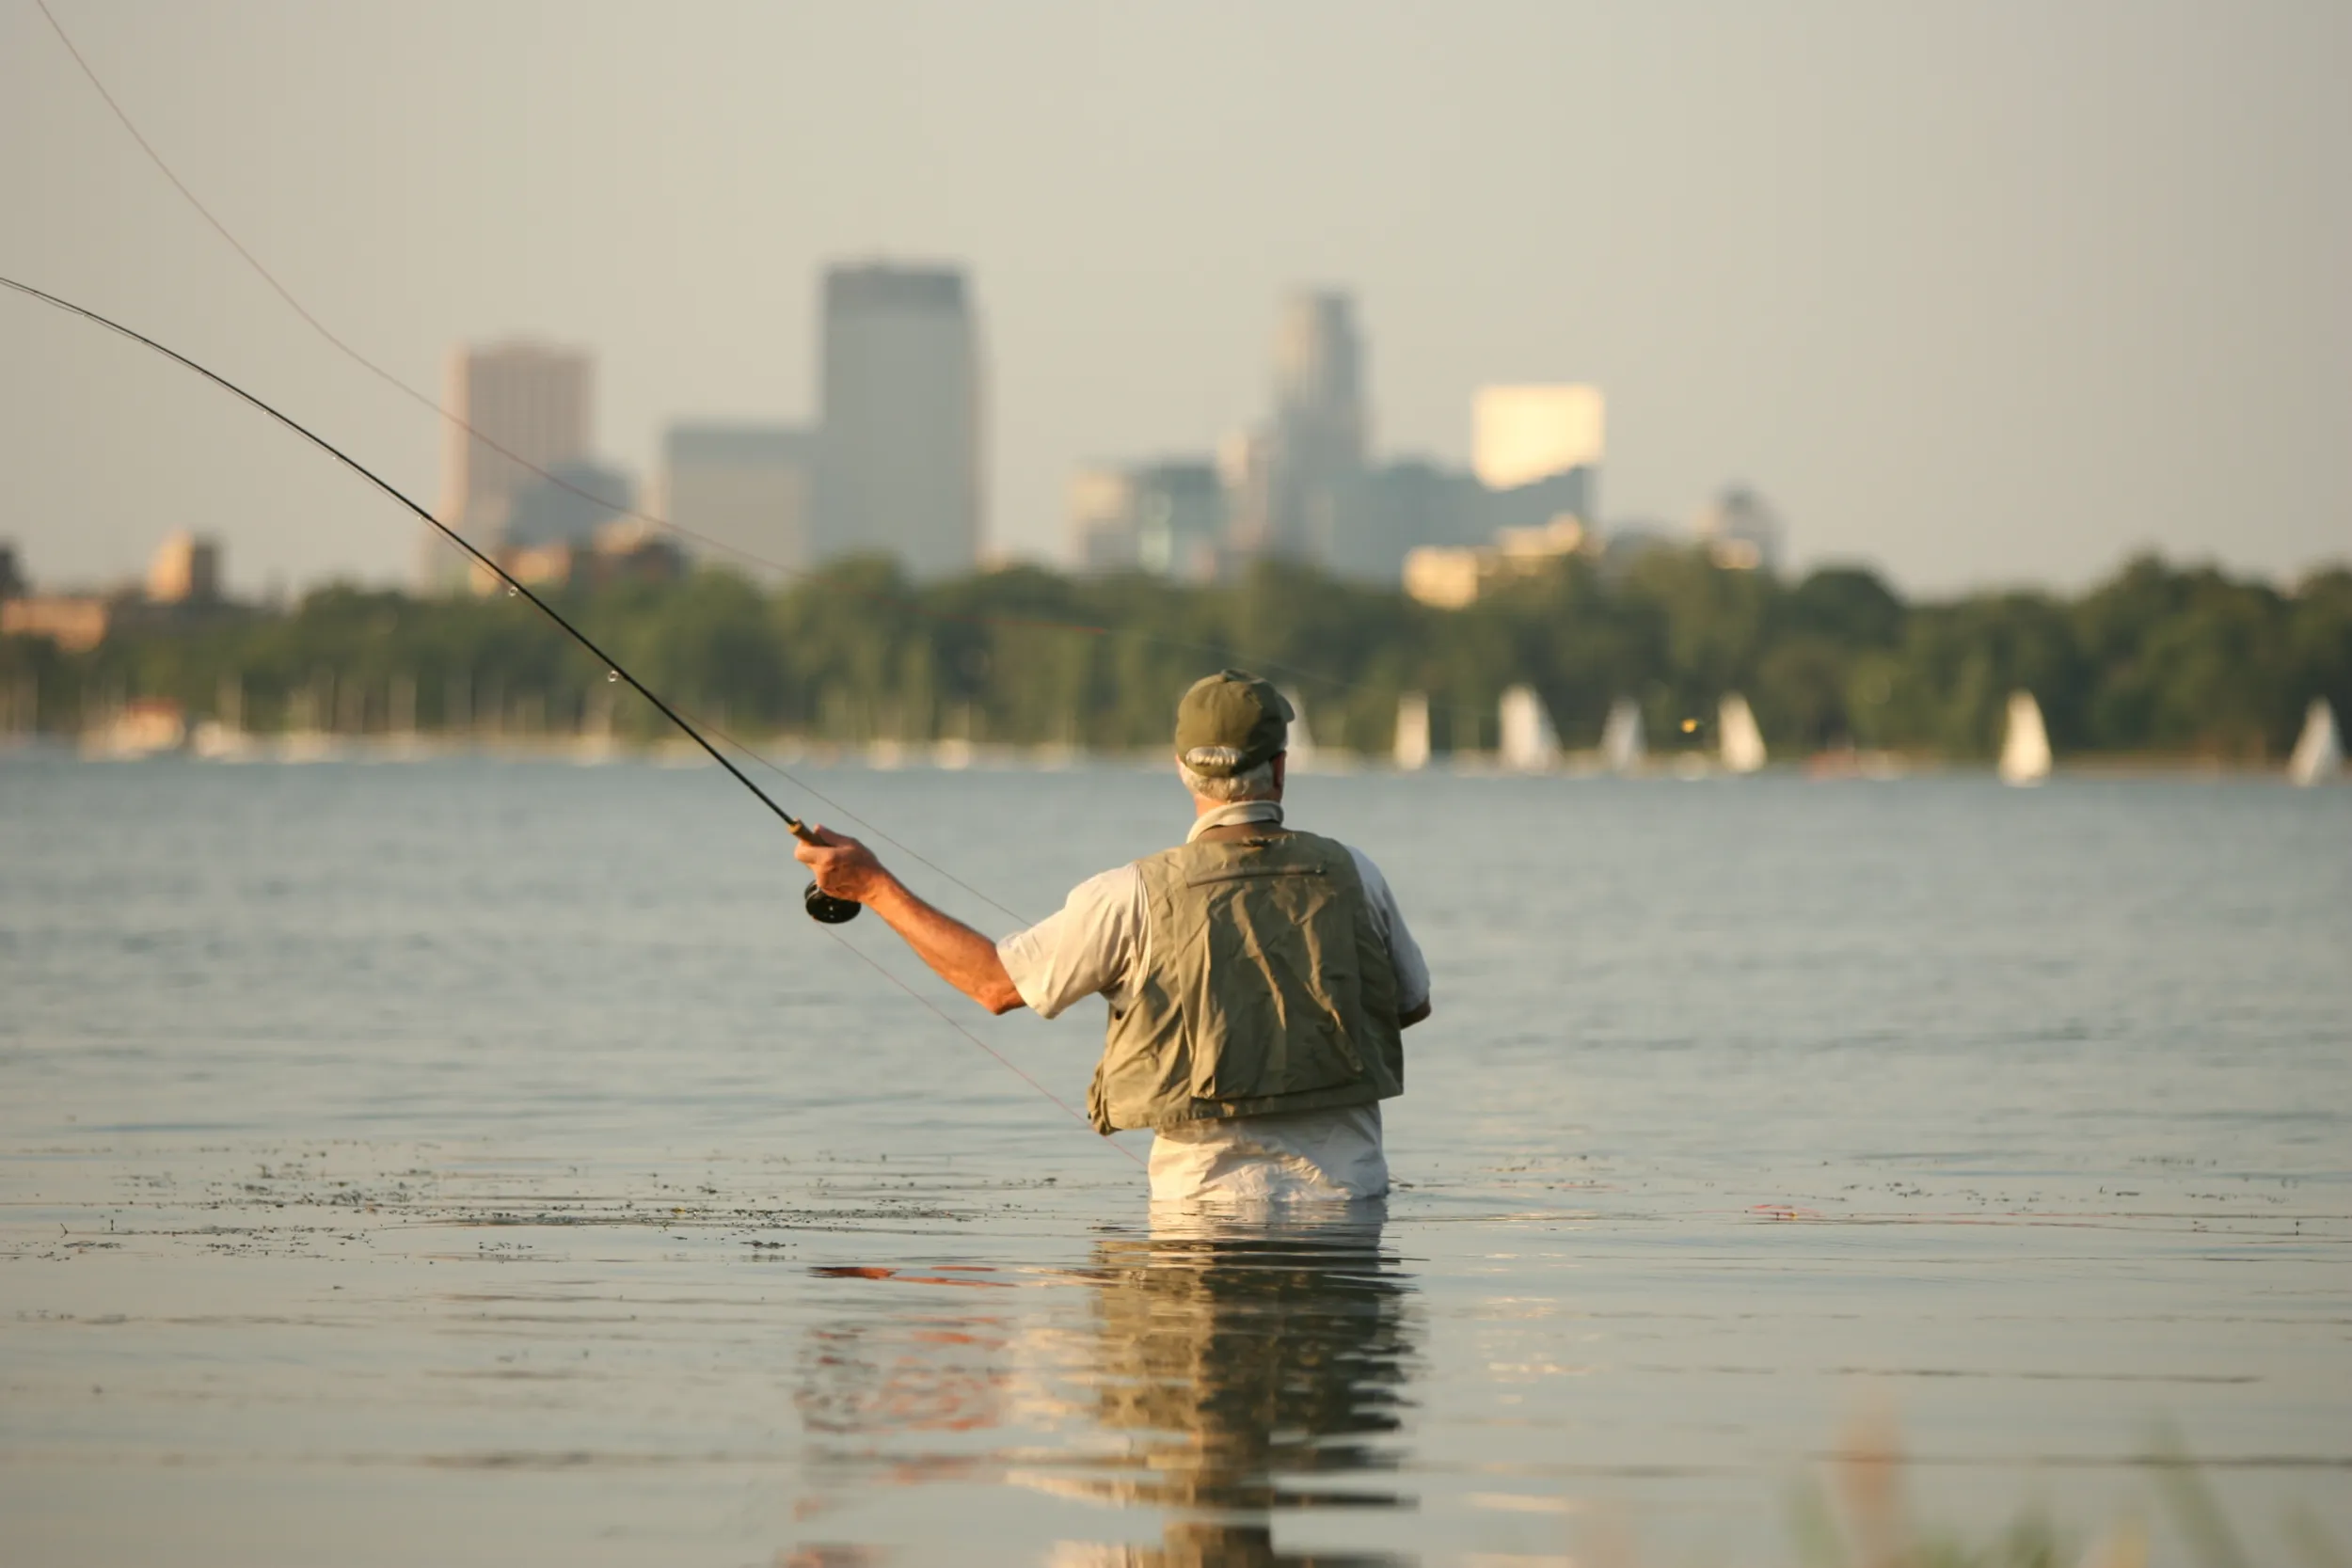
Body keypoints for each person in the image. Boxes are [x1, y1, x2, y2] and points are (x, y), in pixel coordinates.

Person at [793, 669, 1432, 1204]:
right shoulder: (1358, 875)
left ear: (1184, 771)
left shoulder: (1128, 894)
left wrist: (874, 887)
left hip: (1199, 1220)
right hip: (1351, 1210)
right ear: (1280, 770)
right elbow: (1410, 1004)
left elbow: (993, 983)